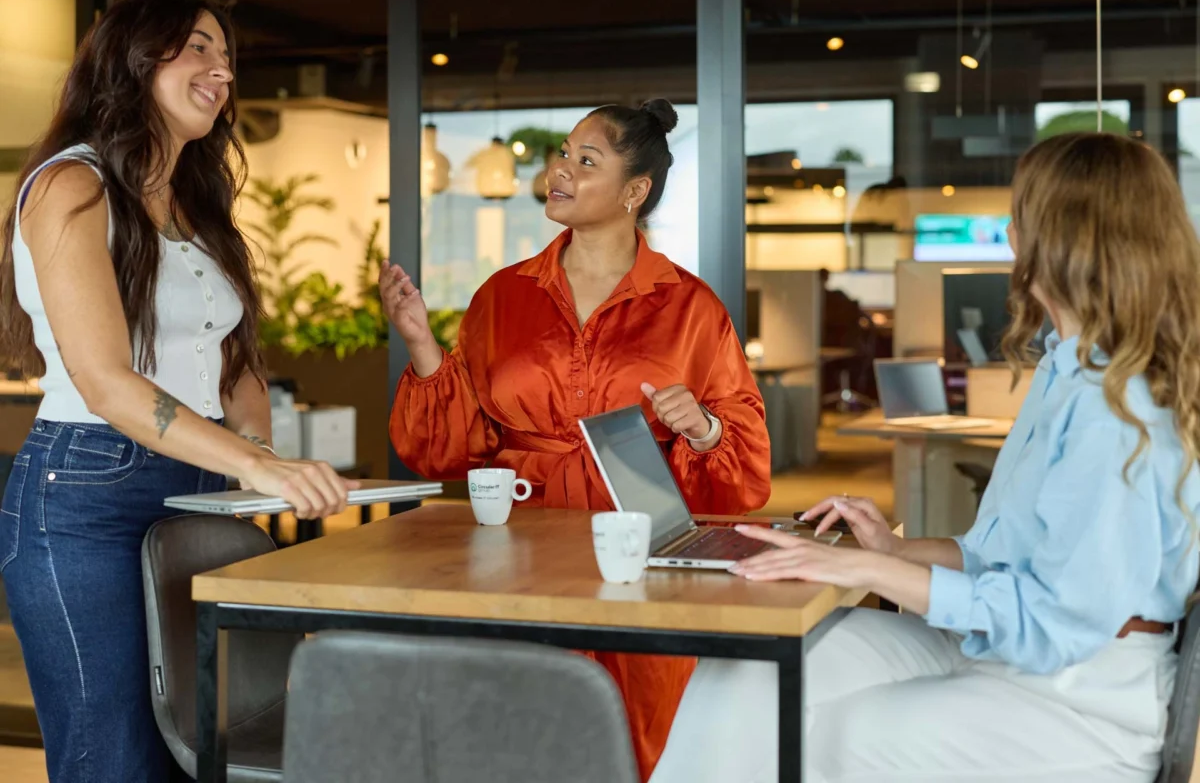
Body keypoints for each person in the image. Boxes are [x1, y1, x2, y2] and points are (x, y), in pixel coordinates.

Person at [650, 132, 1200, 782]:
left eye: (1018, 211)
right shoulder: (1065, 367)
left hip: (1078, 693)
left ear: (1056, 238)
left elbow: (1052, 622)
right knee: (750, 670)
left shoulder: (1118, 409)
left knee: (839, 736)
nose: (1007, 228)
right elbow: (1002, 556)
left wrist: (866, 573)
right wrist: (892, 549)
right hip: (1003, 651)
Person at [0, 0, 357, 781]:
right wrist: (256, 465)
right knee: (116, 761)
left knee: (206, 750)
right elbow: (103, 381)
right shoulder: (72, 187)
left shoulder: (197, 202)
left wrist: (257, 458)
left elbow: (236, 364)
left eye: (224, 54)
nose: (221, 68)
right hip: (86, 492)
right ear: (134, 59)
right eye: (197, 47)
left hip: (197, 486)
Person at [384, 99, 772, 779]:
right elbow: (449, 447)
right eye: (562, 154)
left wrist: (703, 427)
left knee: (643, 733)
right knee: (518, 726)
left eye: (584, 161)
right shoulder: (502, 296)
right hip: (517, 548)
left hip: (640, 551)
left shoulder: (692, 307)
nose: (558, 170)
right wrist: (420, 343)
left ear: (634, 191)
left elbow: (745, 467)